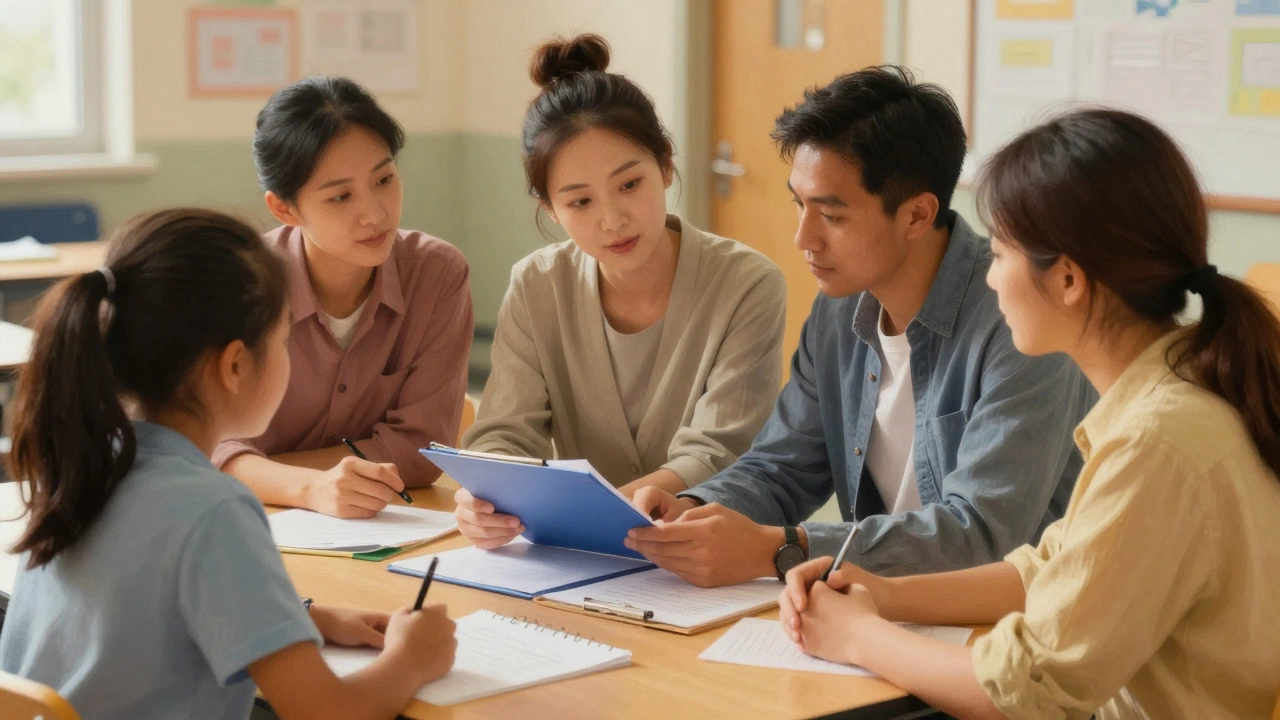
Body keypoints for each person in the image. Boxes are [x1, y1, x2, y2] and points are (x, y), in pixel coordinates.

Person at [780, 108, 1280, 720]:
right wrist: (885, 595)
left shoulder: (1157, 443)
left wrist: (859, 636)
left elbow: (1032, 689)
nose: (988, 279)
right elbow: (1051, 570)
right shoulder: (1174, 394)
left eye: (999, 253)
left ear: (1068, 279)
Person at [627, 67, 1095, 587]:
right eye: (798, 205)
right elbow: (782, 467)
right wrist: (691, 507)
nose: (804, 239)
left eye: (832, 216)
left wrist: (785, 548)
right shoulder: (838, 309)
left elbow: (983, 534)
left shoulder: (1021, 321)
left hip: (1007, 625)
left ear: (917, 215)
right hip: (881, 607)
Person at [0, 209, 457, 720]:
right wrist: (410, 659)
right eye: (283, 338)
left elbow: (138, 609)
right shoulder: (213, 509)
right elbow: (327, 711)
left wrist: (300, 618)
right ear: (235, 366)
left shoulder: (85, 462)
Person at [455, 34, 786, 548]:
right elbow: (504, 432)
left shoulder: (746, 284)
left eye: (629, 185)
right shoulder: (536, 284)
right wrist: (484, 496)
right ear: (550, 210)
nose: (613, 220)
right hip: (577, 557)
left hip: (702, 551)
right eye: (580, 202)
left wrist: (595, 512)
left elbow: (720, 448)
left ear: (666, 166)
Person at [213, 76, 473, 519]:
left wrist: (262, 470)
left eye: (385, 179)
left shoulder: (436, 274)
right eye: (340, 197)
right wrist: (309, 487)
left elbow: (422, 451)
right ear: (285, 209)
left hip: (374, 523)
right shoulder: (240, 284)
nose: (375, 213)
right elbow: (206, 448)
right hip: (245, 521)